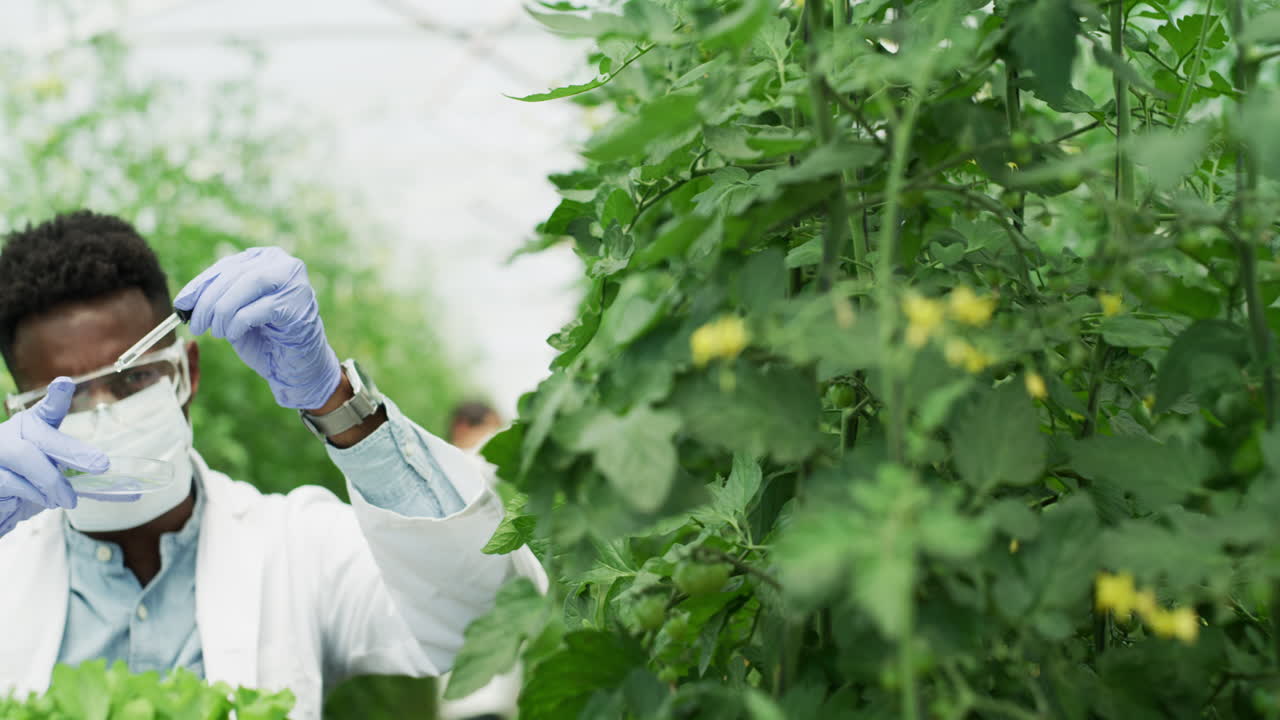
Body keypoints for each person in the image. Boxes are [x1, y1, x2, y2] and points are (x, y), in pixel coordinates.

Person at [0, 211, 545, 720]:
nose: (104, 416)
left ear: (186, 373)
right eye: (64, 398)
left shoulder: (295, 545)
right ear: (17, 413)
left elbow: (486, 619)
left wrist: (336, 400)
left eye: (133, 378)